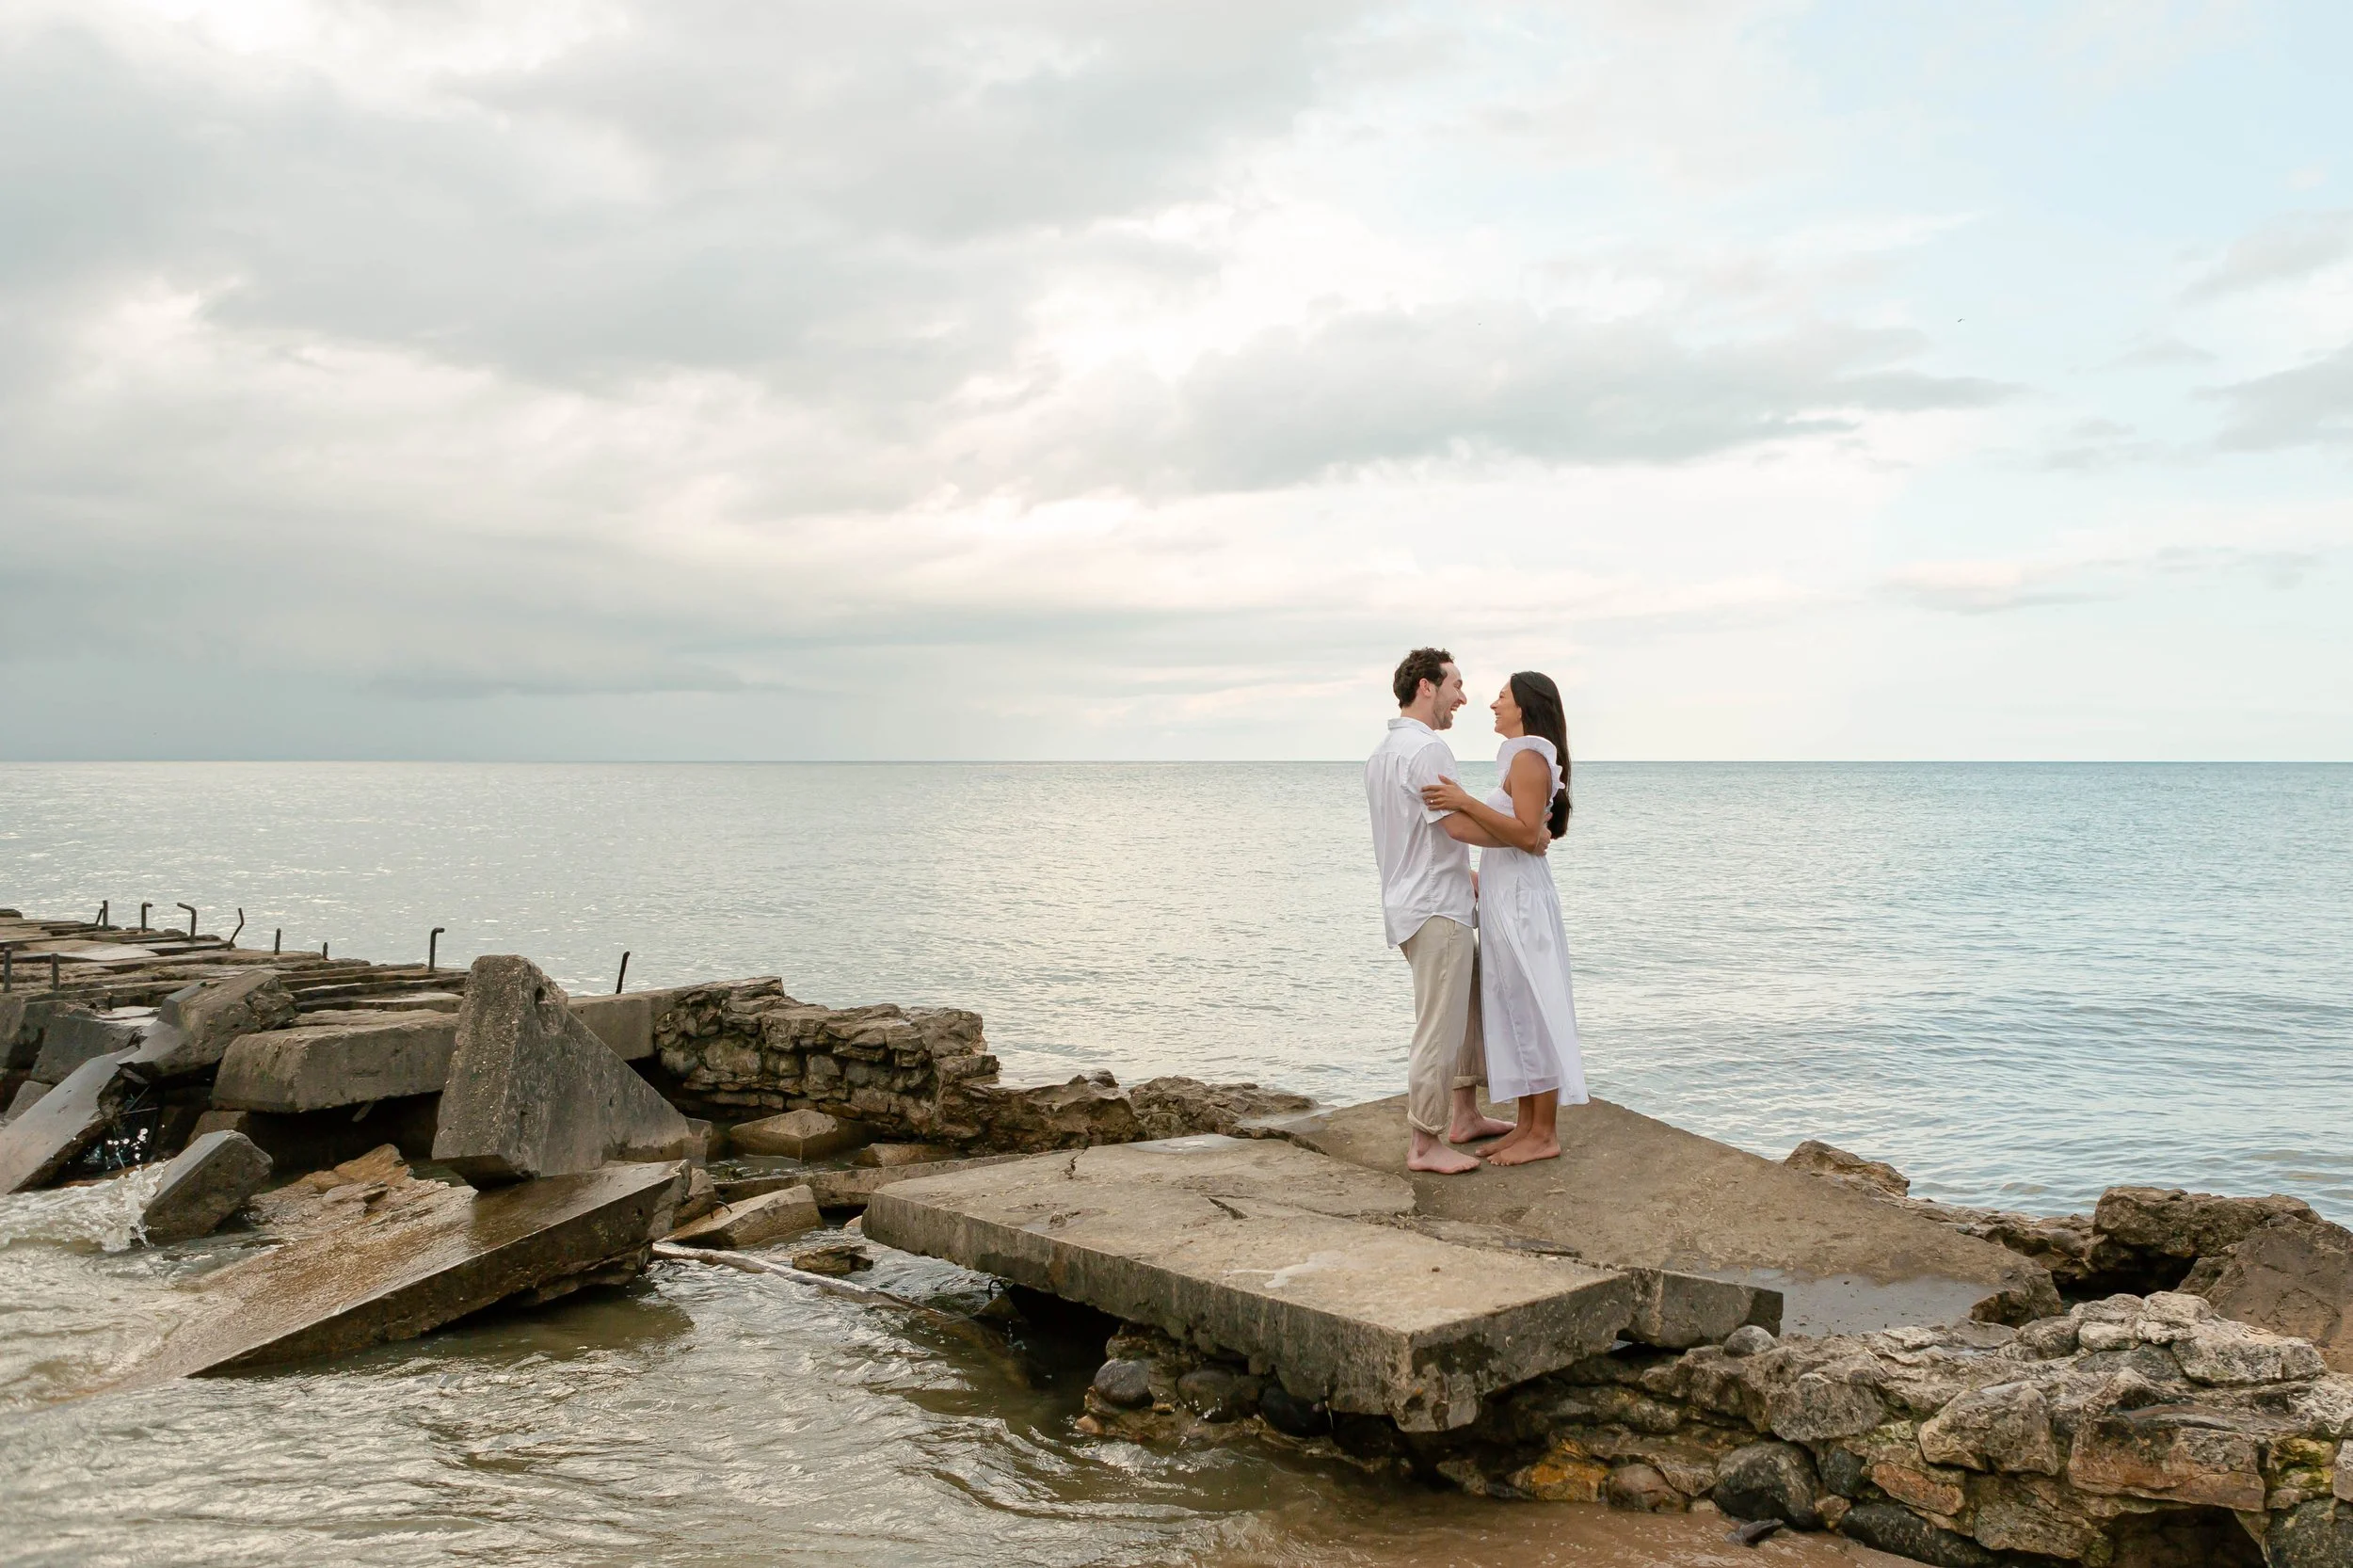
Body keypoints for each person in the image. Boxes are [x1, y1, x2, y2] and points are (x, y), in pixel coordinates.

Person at [1420, 672, 1587, 1165]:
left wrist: (1465, 802)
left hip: (1522, 902)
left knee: (1535, 1004)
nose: (1492, 704)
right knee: (1516, 1006)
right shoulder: (1521, 759)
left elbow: (1525, 832)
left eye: (1502, 697)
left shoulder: (1531, 758)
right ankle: (1529, 1126)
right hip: (1506, 894)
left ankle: (1545, 1134)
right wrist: (1476, 872)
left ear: (1526, 708)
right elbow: (1525, 836)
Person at [1365, 648, 1517, 1175]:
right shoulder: (1428, 752)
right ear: (1427, 687)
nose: (1463, 697)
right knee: (1438, 1027)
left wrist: (1466, 873)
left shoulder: (1384, 752)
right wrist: (1522, 844)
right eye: (1455, 684)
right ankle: (1425, 1144)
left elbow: (1415, 836)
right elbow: (1453, 825)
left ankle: (1465, 1116)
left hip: (1416, 899)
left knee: (1463, 1012)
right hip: (1434, 909)